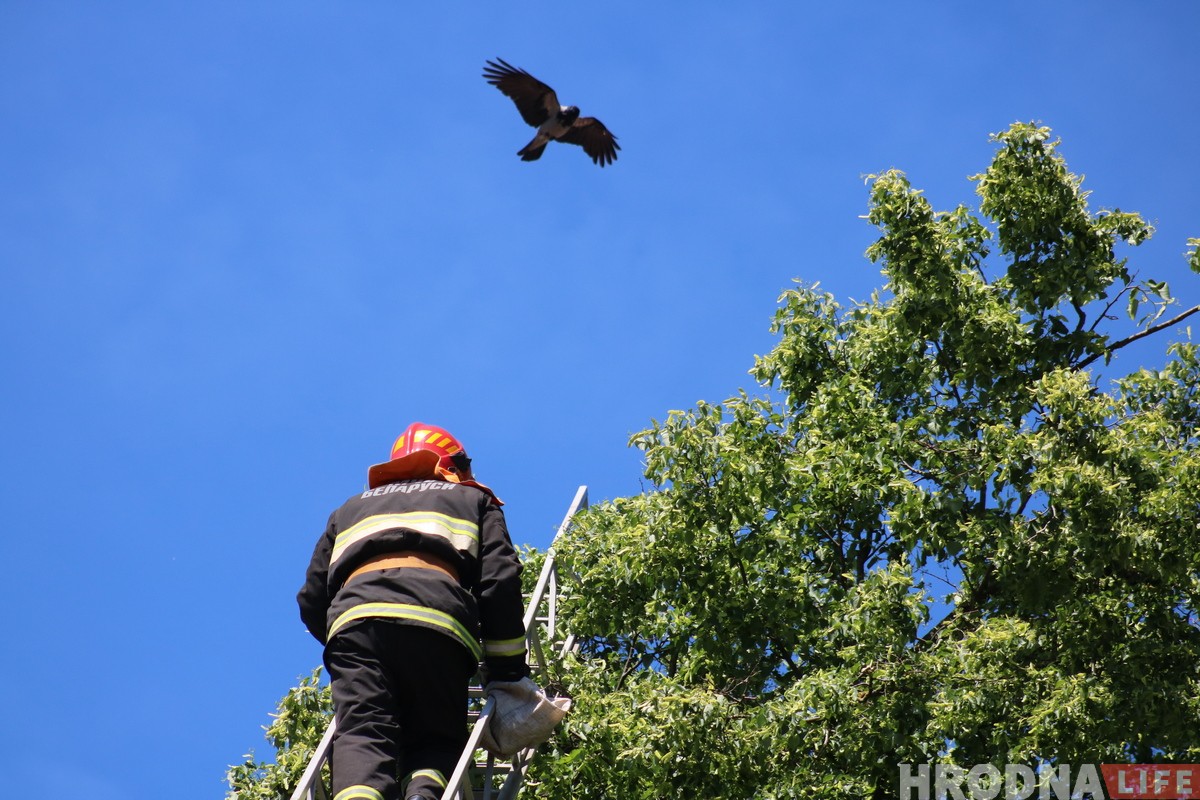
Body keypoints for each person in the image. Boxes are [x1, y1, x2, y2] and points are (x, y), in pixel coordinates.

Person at [298, 422, 530, 800]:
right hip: (437, 621)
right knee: (434, 734)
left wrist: (351, 638)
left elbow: (311, 598)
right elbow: (499, 582)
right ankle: (424, 794)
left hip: (356, 625)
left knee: (361, 729)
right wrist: (506, 672)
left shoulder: (349, 509)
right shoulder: (473, 500)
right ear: (452, 466)